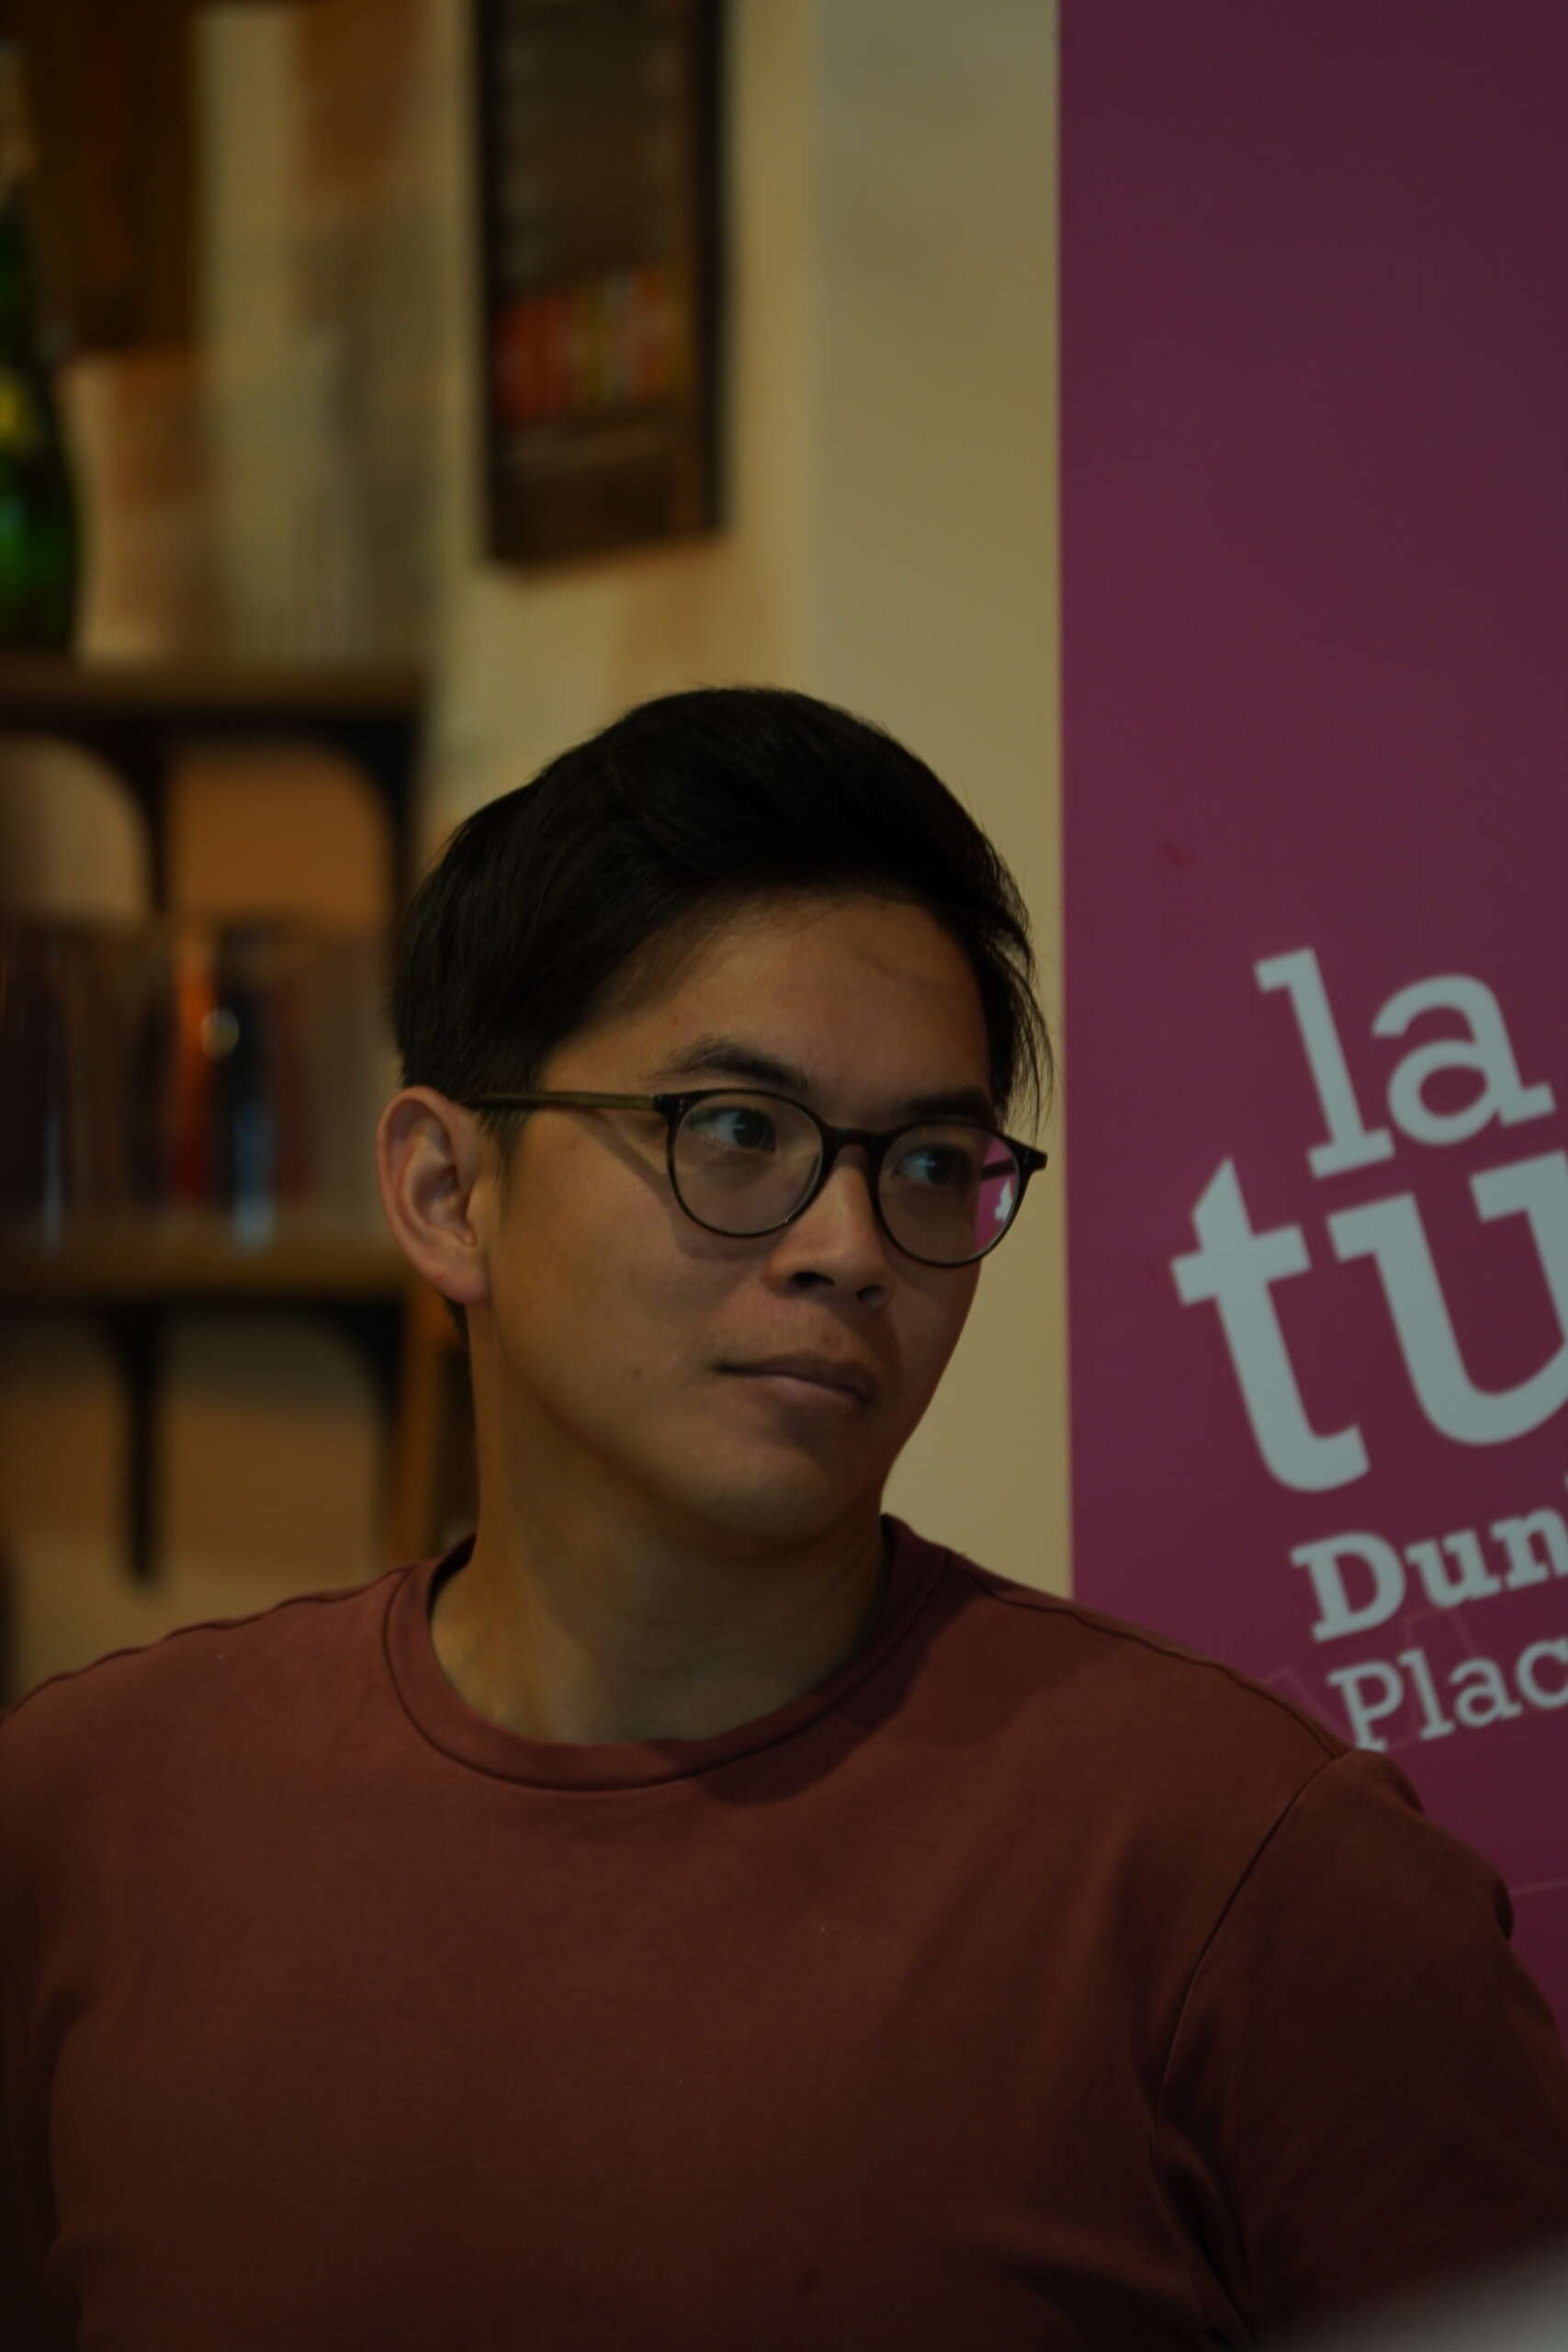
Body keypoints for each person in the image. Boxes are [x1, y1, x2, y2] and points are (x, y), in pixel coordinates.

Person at [2, 686, 1566, 2350]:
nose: (851, 1247)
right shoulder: (87, 1819)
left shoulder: (1244, 1872)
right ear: (448, 1192)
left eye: (929, 1162)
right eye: (736, 1132)